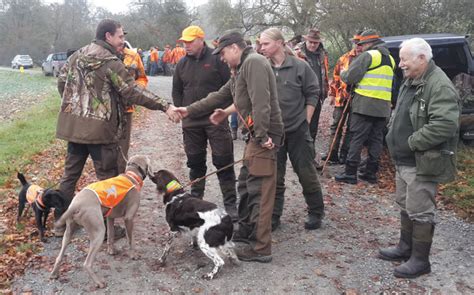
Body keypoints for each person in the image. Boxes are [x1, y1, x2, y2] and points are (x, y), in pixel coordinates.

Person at [174, 31, 284, 263]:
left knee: (260, 192)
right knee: (245, 185)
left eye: (223, 53)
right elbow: (222, 95)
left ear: (234, 47)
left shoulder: (253, 62)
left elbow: (261, 102)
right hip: (255, 137)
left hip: (263, 137)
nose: (221, 59)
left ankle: (261, 248)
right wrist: (190, 110)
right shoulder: (241, 67)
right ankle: (245, 231)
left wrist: (263, 136)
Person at [56, 19, 179, 207]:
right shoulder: (110, 62)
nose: (122, 40)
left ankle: (60, 222)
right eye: (120, 36)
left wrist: (77, 107)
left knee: (69, 176)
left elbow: (62, 82)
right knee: (107, 179)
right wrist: (164, 105)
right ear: (108, 36)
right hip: (101, 133)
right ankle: (107, 226)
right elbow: (132, 90)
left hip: (74, 129)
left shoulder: (77, 55)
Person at [379, 38, 460, 278]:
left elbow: (444, 124)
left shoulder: (439, 85)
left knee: (421, 211)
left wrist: (412, 142)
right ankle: (406, 248)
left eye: (404, 59)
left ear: (422, 58)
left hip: (422, 160)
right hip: (403, 160)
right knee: (406, 204)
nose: (400, 64)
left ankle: (420, 260)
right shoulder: (412, 79)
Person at [258, 28, 325, 231]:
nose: (261, 48)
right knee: (274, 177)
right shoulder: (262, 68)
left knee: (306, 173)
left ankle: (316, 212)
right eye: (260, 44)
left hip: (297, 131)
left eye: (265, 44)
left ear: (279, 43)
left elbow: (314, 92)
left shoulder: (299, 66)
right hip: (274, 134)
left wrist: (306, 119)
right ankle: (274, 216)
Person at [172, 25, 238, 219]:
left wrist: (224, 112)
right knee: (195, 163)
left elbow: (230, 88)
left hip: (215, 120)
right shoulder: (181, 64)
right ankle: (195, 201)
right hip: (191, 123)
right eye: (184, 42)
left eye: (190, 41)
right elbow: (177, 91)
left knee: (224, 161)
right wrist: (182, 110)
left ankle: (231, 204)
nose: (186, 45)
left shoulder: (218, 59)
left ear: (202, 40)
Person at [335, 29, 395, 184]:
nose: (360, 47)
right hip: (383, 108)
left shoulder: (369, 56)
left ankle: (350, 174)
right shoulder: (391, 59)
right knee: (376, 139)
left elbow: (350, 77)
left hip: (365, 105)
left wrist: (342, 72)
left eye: (362, 44)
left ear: (370, 43)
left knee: (357, 137)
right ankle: (371, 173)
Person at [322, 32, 362, 164]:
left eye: (360, 43)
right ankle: (332, 154)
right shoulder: (344, 58)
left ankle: (345, 155)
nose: (358, 46)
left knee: (352, 127)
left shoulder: (368, 59)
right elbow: (336, 78)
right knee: (336, 126)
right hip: (342, 98)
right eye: (356, 43)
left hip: (358, 99)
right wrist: (333, 95)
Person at [117, 40, 149, 173]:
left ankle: (119, 180)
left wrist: (137, 90)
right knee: (105, 150)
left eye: (122, 36)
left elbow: (142, 77)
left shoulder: (133, 56)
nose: (121, 40)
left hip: (126, 109)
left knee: (122, 149)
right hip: (105, 111)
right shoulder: (103, 56)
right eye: (118, 36)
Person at [299, 29, 329, 142]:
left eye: (315, 43)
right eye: (310, 42)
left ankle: (309, 156)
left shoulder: (323, 54)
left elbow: (324, 74)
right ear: (306, 40)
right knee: (300, 128)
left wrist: (325, 92)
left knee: (313, 129)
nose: (312, 45)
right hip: (300, 97)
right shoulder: (297, 54)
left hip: (316, 97)